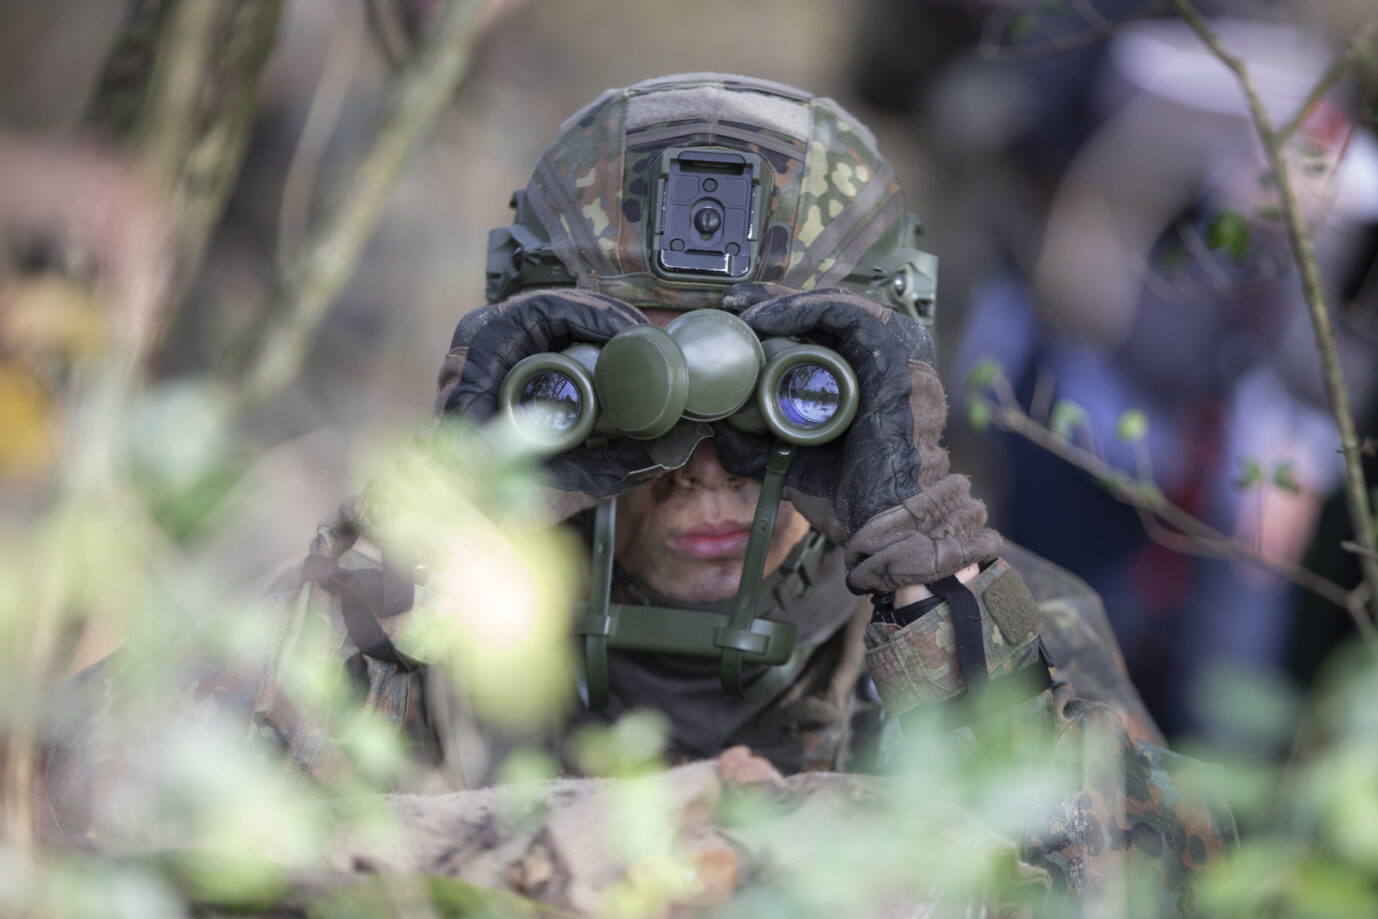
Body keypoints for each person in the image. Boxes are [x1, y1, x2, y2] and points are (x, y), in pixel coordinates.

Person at [43, 73, 1232, 912]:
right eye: (642, 401)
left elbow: (1149, 889)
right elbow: (75, 799)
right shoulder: (430, 619)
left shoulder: (995, 623)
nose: (704, 471)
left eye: (775, 406)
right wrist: (412, 552)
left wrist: (929, 572)